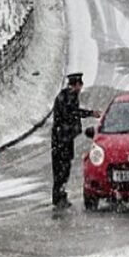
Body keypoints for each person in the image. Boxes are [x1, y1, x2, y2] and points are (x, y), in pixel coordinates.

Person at [51, 72, 100, 209]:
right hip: (62, 139)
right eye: (80, 85)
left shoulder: (67, 95)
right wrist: (90, 113)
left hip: (63, 138)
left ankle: (60, 196)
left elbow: (72, 112)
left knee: (63, 169)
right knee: (62, 169)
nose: (81, 88)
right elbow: (72, 112)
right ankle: (59, 197)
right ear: (76, 85)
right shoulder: (67, 97)